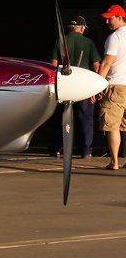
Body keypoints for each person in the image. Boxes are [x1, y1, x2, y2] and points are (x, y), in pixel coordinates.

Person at [47, 16, 101, 158]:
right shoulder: (88, 43)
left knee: (60, 118)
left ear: (69, 28)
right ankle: (85, 151)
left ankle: (56, 149)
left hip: (63, 85)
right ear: (82, 29)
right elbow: (96, 66)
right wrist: (95, 88)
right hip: (82, 85)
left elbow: (52, 65)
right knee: (85, 119)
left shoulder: (60, 41)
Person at [96, 5, 126, 169]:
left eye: (111, 18)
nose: (107, 21)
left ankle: (114, 161)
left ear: (120, 18)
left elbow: (106, 63)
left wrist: (97, 85)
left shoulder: (115, 37)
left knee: (113, 125)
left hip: (116, 86)